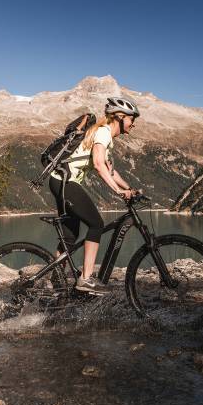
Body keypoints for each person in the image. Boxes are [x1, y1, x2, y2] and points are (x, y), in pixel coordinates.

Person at [48, 97, 139, 295]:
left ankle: (57, 281)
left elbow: (110, 170)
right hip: (65, 183)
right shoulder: (104, 132)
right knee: (96, 224)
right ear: (120, 117)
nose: (134, 124)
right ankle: (86, 279)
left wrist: (129, 188)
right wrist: (117, 191)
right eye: (132, 119)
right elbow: (99, 164)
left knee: (70, 237)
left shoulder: (104, 134)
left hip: (60, 181)